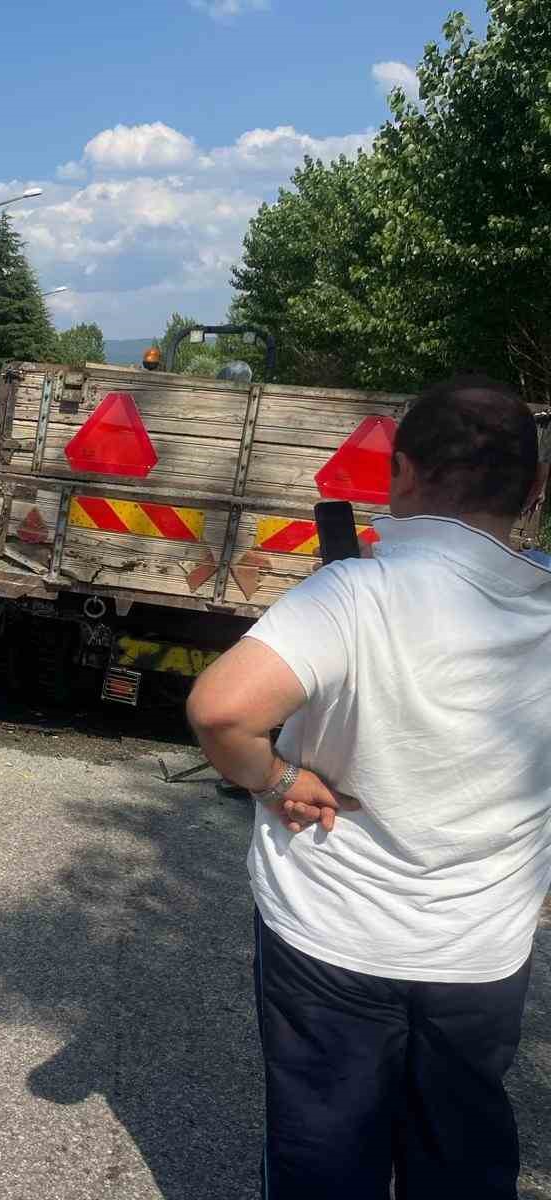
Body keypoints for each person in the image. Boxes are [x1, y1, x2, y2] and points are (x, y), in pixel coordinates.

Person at [187, 375, 551, 1199]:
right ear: (535, 490)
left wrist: (279, 778)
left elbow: (219, 712)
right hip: (482, 951)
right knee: (460, 1156)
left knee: (326, 1155)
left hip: (330, 937)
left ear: (404, 475)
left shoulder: (352, 594)